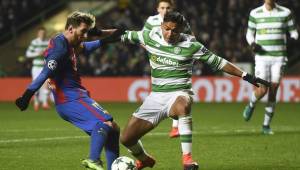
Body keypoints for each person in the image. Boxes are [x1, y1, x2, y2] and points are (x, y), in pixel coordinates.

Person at [119, 11, 270, 170]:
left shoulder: (192, 45)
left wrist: (246, 76)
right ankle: (145, 160)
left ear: (182, 30)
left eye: (175, 30)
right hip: (156, 97)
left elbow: (219, 62)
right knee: (127, 138)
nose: (170, 34)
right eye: (167, 29)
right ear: (161, 26)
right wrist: (98, 35)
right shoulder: (150, 36)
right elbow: (122, 34)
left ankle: (187, 160)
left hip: (179, 93)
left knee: (182, 106)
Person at [16, 11, 124, 170]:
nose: (85, 36)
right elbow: (46, 72)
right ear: (70, 29)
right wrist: (27, 95)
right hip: (70, 99)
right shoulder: (59, 49)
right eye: (83, 32)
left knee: (113, 129)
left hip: (75, 97)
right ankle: (93, 159)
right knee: (104, 122)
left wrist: (106, 39)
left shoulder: (70, 44)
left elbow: (86, 47)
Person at [243, 0, 298, 135]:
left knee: (273, 90)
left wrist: (292, 41)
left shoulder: (286, 12)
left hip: (279, 58)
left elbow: (294, 32)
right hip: (262, 58)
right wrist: (253, 44)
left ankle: (266, 125)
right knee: (262, 90)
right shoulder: (255, 13)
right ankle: (251, 103)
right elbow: (249, 34)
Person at [143, 0, 193, 138]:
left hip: (176, 59)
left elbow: (191, 38)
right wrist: (154, 50)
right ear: (157, 9)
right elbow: (143, 39)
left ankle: (175, 127)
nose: (165, 9)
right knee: (162, 89)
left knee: (177, 91)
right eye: (162, 7)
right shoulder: (151, 21)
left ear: (172, 8)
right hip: (158, 60)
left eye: (168, 7)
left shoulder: (179, 20)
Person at [26, 27, 51, 111]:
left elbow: (51, 52)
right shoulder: (34, 42)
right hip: (36, 67)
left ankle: (45, 103)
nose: (42, 35)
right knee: (36, 85)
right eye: (41, 33)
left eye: (43, 33)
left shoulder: (48, 42)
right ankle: (36, 102)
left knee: (47, 83)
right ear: (38, 34)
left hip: (45, 67)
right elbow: (28, 54)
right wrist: (38, 53)